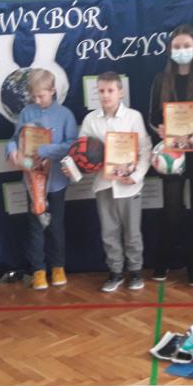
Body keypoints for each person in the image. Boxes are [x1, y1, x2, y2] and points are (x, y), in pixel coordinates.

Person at [147, 24, 193, 286]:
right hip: (171, 153)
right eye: (177, 46)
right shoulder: (161, 79)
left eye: (187, 46)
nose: (182, 50)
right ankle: (164, 261)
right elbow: (151, 117)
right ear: (170, 49)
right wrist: (159, 128)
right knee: (172, 211)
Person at [73, 71, 151, 292]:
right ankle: (115, 272)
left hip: (130, 186)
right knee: (109, 233)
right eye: (101, 91)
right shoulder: (90, 120)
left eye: (110, 90)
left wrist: (135, 176)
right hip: (104, 184)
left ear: (120, 92)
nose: (106, 95)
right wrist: (87, 168)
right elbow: (81, 153)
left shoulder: (133, 117)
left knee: (132, 233)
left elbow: (144, 149)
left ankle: (135, 271)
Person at [6, 69, 78, 290]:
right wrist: (12, 151)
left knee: (56, 226)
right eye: (34, 96)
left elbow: (72, 145)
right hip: (32, 181)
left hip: (56, 182)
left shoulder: (65, 115)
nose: (37, 100)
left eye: (41, 96)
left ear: (52, 91)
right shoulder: (26, 113)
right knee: (35, 227)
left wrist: (48, 150)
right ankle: (38, 270)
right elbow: (14, 138)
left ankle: (58, 267)